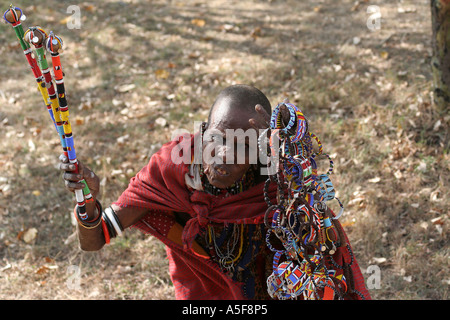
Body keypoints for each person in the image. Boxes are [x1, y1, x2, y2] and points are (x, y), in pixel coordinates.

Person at [60, 84, 371, 300]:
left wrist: (288, 164)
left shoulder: (277, 184)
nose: (224, 154)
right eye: (218, 139)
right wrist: (87, 201)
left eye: (243, 146)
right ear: (202, 132)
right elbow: (96, 238)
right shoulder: (172, 171)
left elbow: (322, 254)